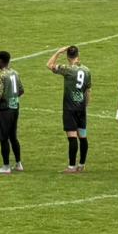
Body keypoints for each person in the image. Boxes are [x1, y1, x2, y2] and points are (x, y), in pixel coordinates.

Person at [47, 45, 92, 173]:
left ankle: (72, 166)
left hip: (70, 108)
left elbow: (49, 65)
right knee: (82, 136)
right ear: (78, 55)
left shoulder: (67, 69)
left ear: (68, 57)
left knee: (72, 137)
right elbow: (88, 91)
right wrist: (85, 105)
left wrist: (58, 52)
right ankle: (82, 164)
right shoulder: (86, 70)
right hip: (81, 107)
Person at [0, 50, 24, 173]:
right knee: (13, 136)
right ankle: (18, 163)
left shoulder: (1, 75)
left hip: (5, 110)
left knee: (3, 137)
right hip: (15, 107)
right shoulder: (15, 73)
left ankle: (6, 166)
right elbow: (21, 90)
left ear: (0, 61)